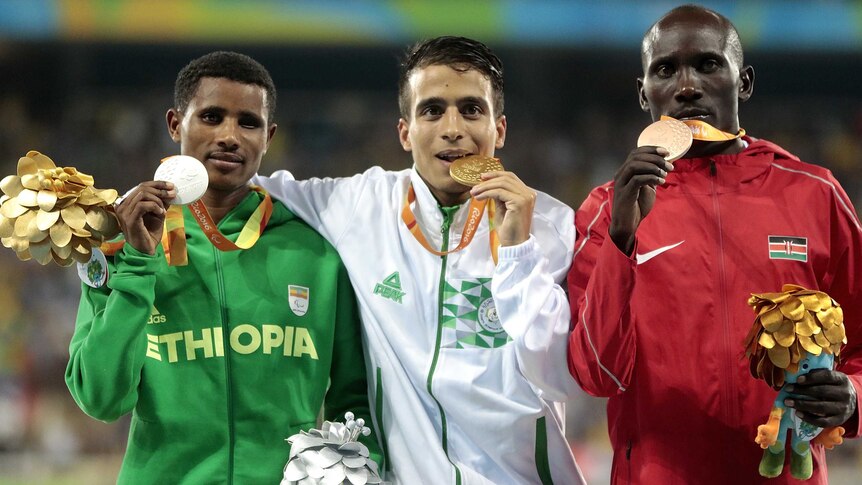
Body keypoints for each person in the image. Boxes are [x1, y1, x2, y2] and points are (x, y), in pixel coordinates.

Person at [252, 36, 586, 484]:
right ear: (405, 131)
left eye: (471, 109)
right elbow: (238, 185)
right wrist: (150, 197)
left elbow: (563, 379)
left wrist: (518, 253)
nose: (453, 127)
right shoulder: (359, 207)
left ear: (499, 129)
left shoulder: (554, 227)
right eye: (432, 110)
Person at [563, 5, 862, 484]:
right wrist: (622, 240)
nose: (686, 86)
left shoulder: (814, 195)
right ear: (645, 93)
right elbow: (595, 374)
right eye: (665, 70)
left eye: (707, 64)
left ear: (742, 82)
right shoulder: (606, 209)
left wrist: (854, 396)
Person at [65, 51, 377, 483]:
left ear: (268, 137)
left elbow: (355, 401)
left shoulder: (319, 253)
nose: (229, 136)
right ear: (176, 124)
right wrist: (138, 265)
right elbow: (100, 399)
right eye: (211, 117)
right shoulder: (123, 243)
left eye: (247, 122)